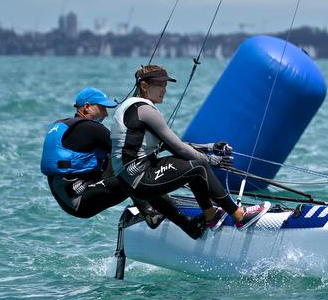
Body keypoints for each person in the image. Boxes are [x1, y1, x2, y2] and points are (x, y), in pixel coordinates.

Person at [110, 64, 267, 231]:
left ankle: (210, 215)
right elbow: (180, 149)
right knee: (200, 166)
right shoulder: (146, 111)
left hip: (130, 181)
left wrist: (210, 147)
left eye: (165, 85)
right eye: (159, 85)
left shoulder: (131, 107)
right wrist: (211, 160)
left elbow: (175, 145)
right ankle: (238, 215)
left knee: (190, 163)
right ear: (144, 86)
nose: (164, 90)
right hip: (139, 180)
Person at [40, 87, 205, 238]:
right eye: (102, 108)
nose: (106, 114)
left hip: (67, 199)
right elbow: (130, 149)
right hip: (81, 199)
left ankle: (150, 208)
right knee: (134, 175)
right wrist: (193, 151)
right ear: (87, 107)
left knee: (121, 163)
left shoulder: (65, 125)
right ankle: (185, 224)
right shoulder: (91, 128)